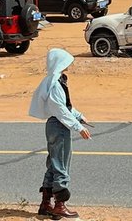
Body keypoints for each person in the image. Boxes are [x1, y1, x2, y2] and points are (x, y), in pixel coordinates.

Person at [29, 48, 91, 218]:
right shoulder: (55, 84)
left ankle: (45, 204)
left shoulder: (54, 81)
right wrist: (78, 127)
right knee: (61, 164)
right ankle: (60, 205)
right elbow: (60, 110)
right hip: (59, 125)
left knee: (53, 163)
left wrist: (79, 116)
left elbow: (65, 106)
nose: (68, 65)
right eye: (65, 62)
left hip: (54, 124)